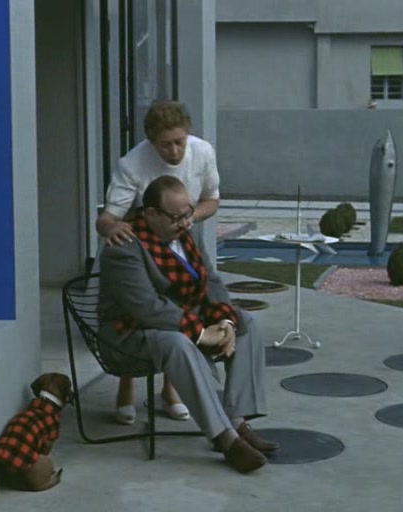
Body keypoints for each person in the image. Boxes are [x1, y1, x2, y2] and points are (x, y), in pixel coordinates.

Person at [96, 175, 279, 473]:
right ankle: (225, 440)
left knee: (246, 322)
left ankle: (236, 421)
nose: (185, 223)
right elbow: (147, 308)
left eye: (188, 213)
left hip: (179, 322)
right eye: (176, 217)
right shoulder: (124, 247)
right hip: (127, 334)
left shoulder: (186, 236)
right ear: (151, 213)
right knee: (178, 342)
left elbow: (212, 282)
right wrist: (201, 333)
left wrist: (224, 321)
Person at [95, 99, 221, 425]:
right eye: (165, 144)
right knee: (140, 305)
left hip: (181, 234)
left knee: (184, 296)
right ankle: (126, 386)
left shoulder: (203, 152)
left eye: (179, 141)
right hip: (142, 243)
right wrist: (114, 228)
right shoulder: (131, 164)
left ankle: (170, 391)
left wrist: (190, 217)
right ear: (151, 141)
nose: (174, 151)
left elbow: (212, 199)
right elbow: (107, 218)